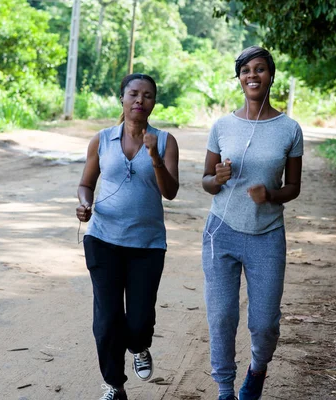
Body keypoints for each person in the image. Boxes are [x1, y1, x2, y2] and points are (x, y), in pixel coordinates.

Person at [201, 46, 303, 400]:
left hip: (267, 235)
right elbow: (206, 181)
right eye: (246, 70)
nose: (252, 76)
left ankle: (257, 370)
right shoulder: (223, 126)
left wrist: (271, 195)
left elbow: (294, 187)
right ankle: (226, 389)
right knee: (222, 317)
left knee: (264, 324)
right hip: (221, 231)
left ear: (270, 76)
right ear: (239, 78)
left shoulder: (289, 129)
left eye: (260, 69)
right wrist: (218, 178)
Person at [76, 73, 179, 400]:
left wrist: (155, 159)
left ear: (153, 102)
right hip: (103, 239)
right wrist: (84, 204)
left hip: (147, 246)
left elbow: (171, 192)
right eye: (133, 94)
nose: (139, 100)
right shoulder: (102, 140)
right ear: (121, 98)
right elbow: (85, 184)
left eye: (147, 95)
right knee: (106, 320)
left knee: (138, 322)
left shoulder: (165, 141)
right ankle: (114, 385)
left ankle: (139, 346)